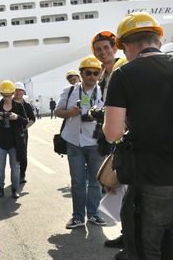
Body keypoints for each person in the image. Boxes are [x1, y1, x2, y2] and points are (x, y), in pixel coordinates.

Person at [105, 12, 173, 260]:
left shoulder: (123, 75)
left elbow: (112, 134)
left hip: (150, 178)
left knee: (147, 249)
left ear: (125, 45)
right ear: (157, 38)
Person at [55, 56, 106, 229]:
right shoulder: (69, 91)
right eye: (88, 73)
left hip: (96, 142)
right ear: (81, 73)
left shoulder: (103, 91)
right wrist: (71, 112)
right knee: (77, 182)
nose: (92, 76)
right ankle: (78, 216)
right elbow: (58, 111)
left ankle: (93, 214)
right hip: (74, 142)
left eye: (96, 73)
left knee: (95, 182)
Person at [0, 80, 28, 199]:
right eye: (4, 96)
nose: (7, 98)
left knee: (15, 167)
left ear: (13, 93)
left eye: (9, 95)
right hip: (0, 142)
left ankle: (14, 189)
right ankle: (0, 189)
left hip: (15, 143)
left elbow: (25, 121)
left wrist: (16, 117)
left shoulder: (18, 106)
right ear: (1, 94)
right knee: (0, 168)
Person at [13, 82, 36, 184]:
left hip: (22, 133)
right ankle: (14, 175)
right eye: (16, 90)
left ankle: (22, 174)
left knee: (23, 154)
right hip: (10, 133)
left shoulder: (26, 105)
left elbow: (32, 118)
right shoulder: (9, 103)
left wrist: (25, 128)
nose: (18, 92)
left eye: (20, 90)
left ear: (23, 92)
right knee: (12, 154)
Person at [91, 30, 119, 99]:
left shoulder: (125, 70)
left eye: (106, 47)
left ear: (114, 49)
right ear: (95, 54)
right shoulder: (99, 80)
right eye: (98, 49)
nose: (103, 52)